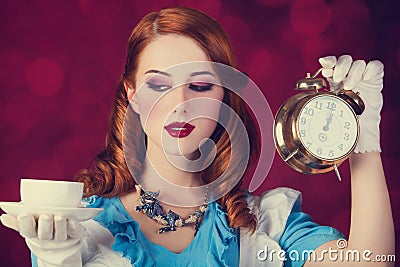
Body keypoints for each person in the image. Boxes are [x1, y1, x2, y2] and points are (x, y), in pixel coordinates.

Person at [0, 6, 394, 267]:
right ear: (132, 96)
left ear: (225, 97)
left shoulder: (267, 225)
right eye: (158, 85)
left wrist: (363, 140)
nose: (179, 103)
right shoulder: (74, 226)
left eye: (201, 87)